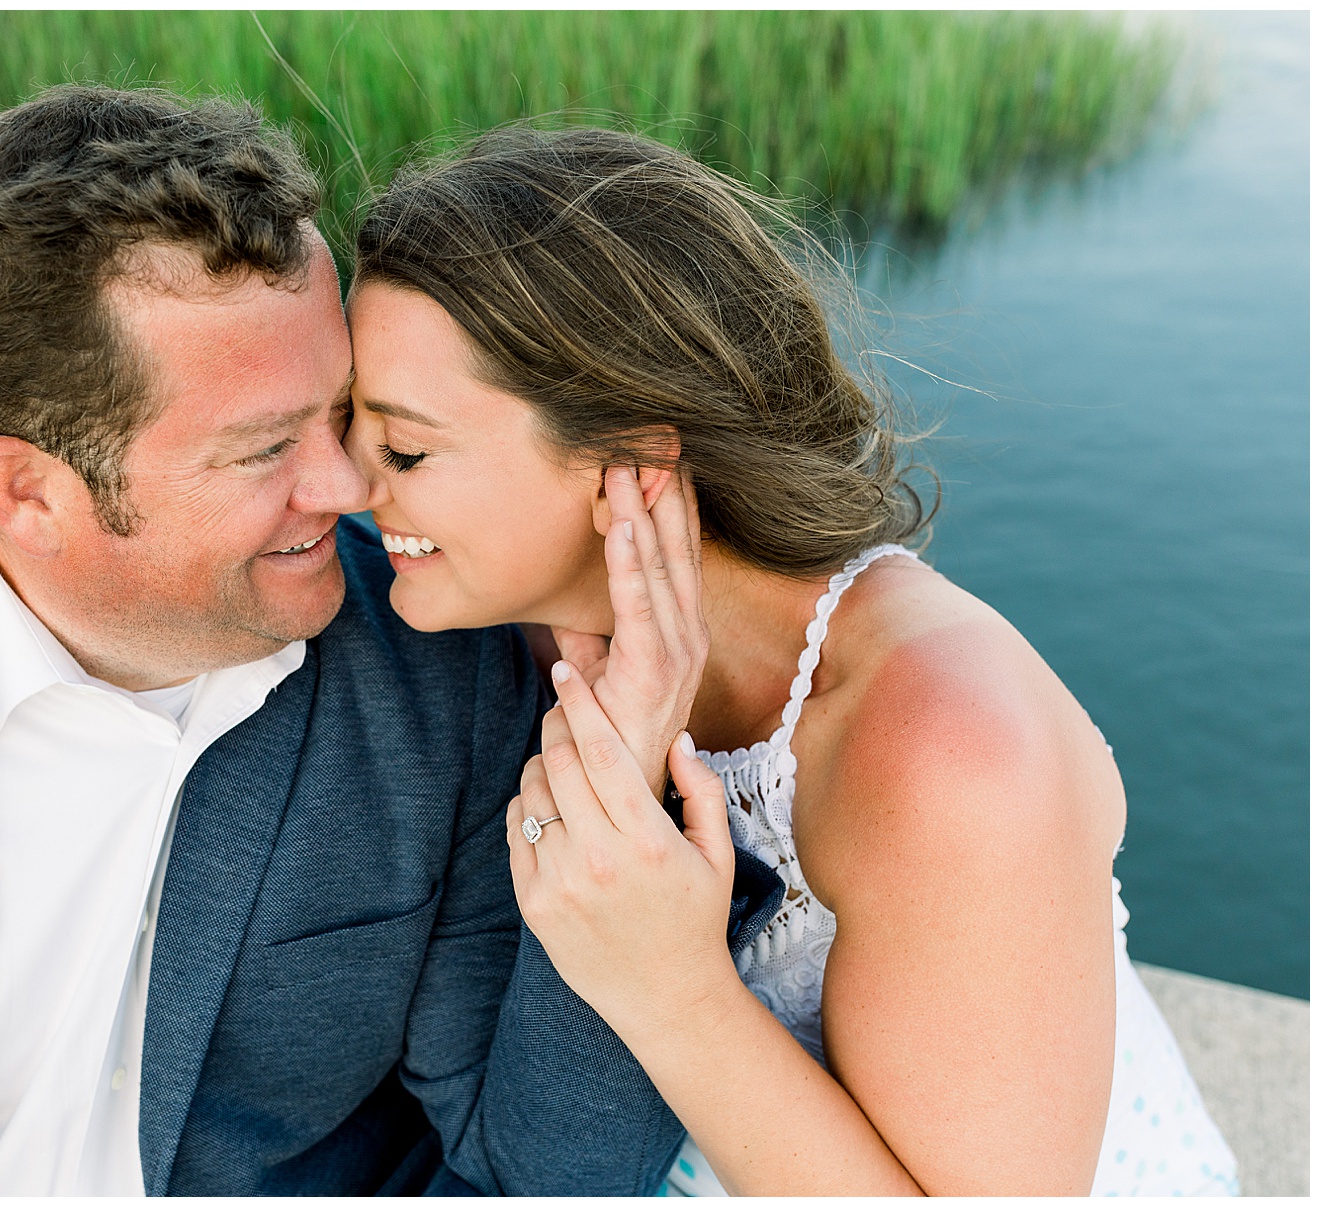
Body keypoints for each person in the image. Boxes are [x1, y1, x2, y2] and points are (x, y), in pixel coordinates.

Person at [0, 88, 780, 1196]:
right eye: (261, 451)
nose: (348, 485)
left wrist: (617, 781)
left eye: (342, 414)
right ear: (26, 489)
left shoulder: (439, 670)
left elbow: (533, 1169)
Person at [342, 124, 1240, 1196]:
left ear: (627, 462)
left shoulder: (944, 755)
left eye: (401, 448)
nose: (347, 484)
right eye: (343, 423)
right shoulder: (521, 628)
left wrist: (668, 981)